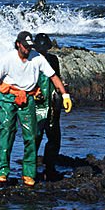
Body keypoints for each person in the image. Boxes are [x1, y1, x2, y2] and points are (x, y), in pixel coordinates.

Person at [0, 31, 72, 187]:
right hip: (8, 97)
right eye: (25, 46)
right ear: (18, 44)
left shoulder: (38, 58)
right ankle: (2, 172)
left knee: (31, 136)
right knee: (7, 132)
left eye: (30, 47)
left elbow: (53, 77)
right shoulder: (8, 59)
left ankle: (29, 174)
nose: (27, 50)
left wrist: (65, 95)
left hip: (28, 98)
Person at [33, 33, 64, 181]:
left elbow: (56, 79)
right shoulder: (30, 61)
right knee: (35, 136)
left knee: (54, 137)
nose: (43, 52)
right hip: (35, 105)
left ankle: (49, 168)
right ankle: (30, 168)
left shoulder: (53, 60)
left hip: (52, 104)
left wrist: (62, 93)